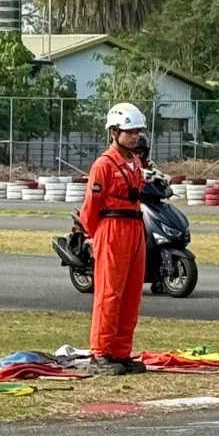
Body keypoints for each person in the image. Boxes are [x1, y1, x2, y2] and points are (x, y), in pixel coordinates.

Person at [79, 103, 150, 376]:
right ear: (114, 132)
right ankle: (100, 352)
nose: (135, 136)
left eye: (137, 132)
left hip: (135, 226)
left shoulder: (136, 162)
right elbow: (90, 206)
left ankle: (121, 352)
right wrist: (93, 236)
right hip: (112, 228)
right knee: (109, 292)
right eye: (129, 132)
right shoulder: (103, 165)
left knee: (132, 293)